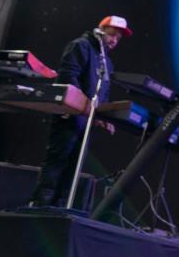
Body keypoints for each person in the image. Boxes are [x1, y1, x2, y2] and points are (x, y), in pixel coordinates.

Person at [29, 15, 130, 208]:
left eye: (118, 38)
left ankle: (60, 207)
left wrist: (104, 116)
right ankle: (40, 204)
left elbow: (103, 94)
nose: (115, 41)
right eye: (112, 35)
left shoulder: (107, 62)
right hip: (70, 115)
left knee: (74, 167)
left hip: (86, 120)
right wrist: (83, 107)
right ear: (100, 30)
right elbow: (69, 77)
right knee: (58, 161)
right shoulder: (81, 46)